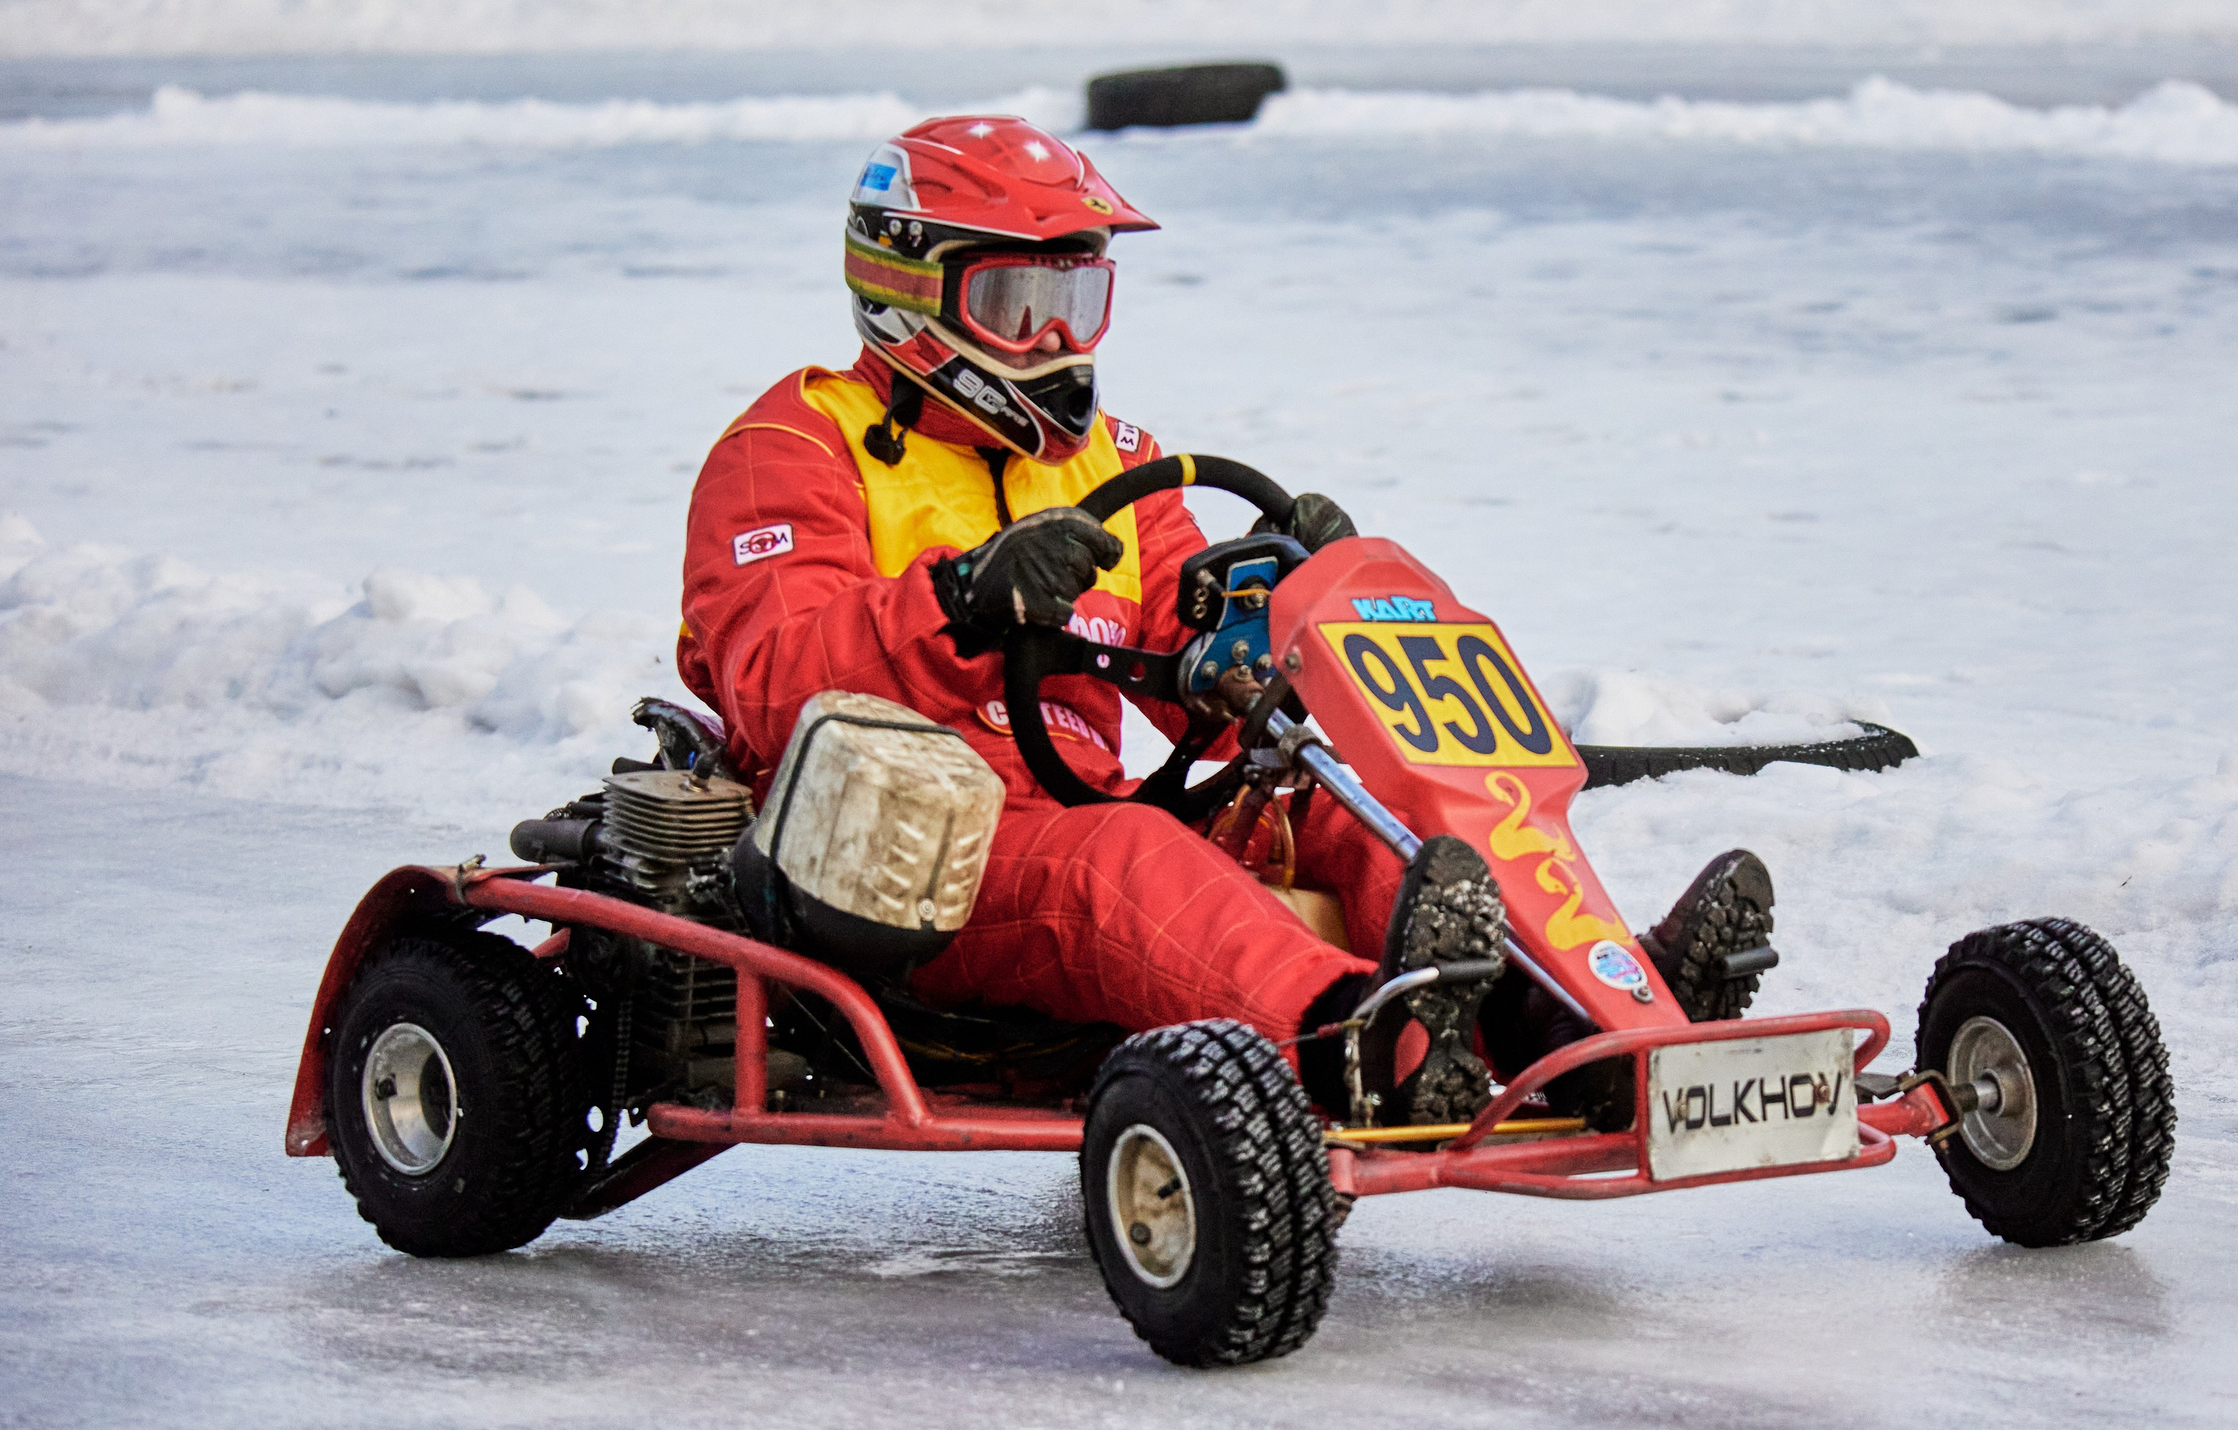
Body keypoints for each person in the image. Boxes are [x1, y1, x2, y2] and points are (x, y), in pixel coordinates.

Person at [674, 115, 1775, 1125]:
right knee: (1125, 857)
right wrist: (959, 603)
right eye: (1018, 309)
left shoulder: (1114, 463)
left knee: (1357, 806)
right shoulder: (791, 449)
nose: (1057, 343)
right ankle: (1354, 1040)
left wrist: (1277, 610)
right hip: (897, 862)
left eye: (1078, 304)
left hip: (1073, 810)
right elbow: (774, 685)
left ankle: (1575, 1029)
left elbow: (1186, 635)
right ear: (910, 294)